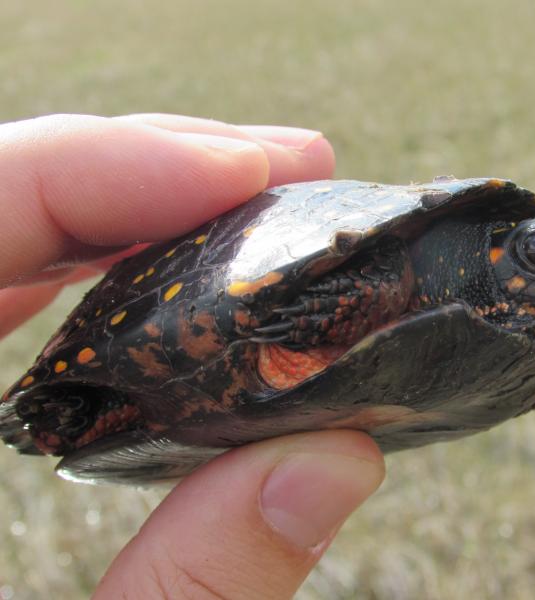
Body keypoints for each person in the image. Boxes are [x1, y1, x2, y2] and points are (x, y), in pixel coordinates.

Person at [0, 114, 386, 599]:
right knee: (66, 415)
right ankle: (73, 405)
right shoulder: (387, 272)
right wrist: (323, 309)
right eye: (516, 247)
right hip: (165, 343)